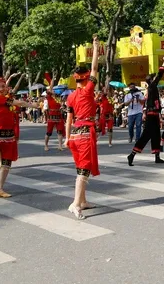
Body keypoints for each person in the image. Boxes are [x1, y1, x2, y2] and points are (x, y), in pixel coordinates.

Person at [0, 76, 39, 198]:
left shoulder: (7, 98)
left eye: (3, 86)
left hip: (8, 134)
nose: (1, 89)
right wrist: (34, 105)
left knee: (6, 163)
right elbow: (20, 103)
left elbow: (15, 106)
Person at [65, 34, 101, 220]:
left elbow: (68, 119)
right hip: (86, 133)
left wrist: (66, 137)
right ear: (86, 79)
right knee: (83, 171)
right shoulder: (88, 91)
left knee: (80, 168)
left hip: (75, 136)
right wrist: (95, 47)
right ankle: (76, 204)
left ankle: (83, 200)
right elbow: (95, 67)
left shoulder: (71, 97)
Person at [127, 53, 164, 166]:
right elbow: (160, 74)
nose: (156, 78)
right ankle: (132, 155)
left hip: (154, 114)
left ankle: (157, 156)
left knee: (156, 135)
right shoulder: (152, 86)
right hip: (151, 115)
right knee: (146, 136)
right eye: (153, 77)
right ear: (151, 80)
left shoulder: (152, 88)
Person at [44, 85, 65, 152]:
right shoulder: (48, 98)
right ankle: (46, 145)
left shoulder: (58, 98)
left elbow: (60, 106)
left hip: (59, 116)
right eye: (52, 90)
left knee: (60, 131)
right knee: (49, 132)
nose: (53, 91)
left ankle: (60, 145)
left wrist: (62, 107)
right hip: (51, 117)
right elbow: (45, 109)